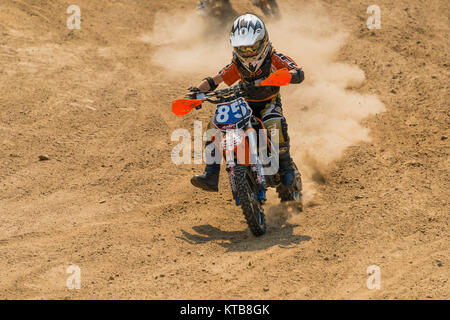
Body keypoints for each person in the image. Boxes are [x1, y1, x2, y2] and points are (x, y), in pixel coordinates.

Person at [189, 14, 304, 198]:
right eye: (243, 48)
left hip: (268, 103)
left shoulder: (273, 57)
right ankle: (211, 174)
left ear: (263, 40)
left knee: (274, 122)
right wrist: (195, 92)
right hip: (245, 105)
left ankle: (286, 167)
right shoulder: (237, 64)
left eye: (253, 46)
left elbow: (296, 70)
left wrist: (291, 75)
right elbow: (216, 79)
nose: (249, 52)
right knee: (215, 126)